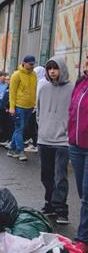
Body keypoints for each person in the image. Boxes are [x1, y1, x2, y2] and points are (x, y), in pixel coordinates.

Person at [38, 56, 72, 225]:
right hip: (44, 139)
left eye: (55, 68)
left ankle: (61, 209)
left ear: (62, 69)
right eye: (49, 68)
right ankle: (49, 203)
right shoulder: (43, 87)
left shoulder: (71, 88)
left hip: (63, 141)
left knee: (60, 177)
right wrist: (42, 127)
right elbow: (38, 111)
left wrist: (67, 131)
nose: (52, 71)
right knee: (46, 175)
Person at [68, 56, 88, 253]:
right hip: (76, 145)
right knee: (83, 193)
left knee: (87, 196)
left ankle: (82, 238)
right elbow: (73, 110)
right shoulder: (81, 82)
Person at [8, 55, 38, 161]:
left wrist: (35, 104)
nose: (32, 66)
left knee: (20, 128)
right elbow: (12, 92)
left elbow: (34, 90)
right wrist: (12, 107)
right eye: (30, 64)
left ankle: (11, 148)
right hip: (19, 106)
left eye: (33, 64)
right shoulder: (16, 75)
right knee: (20, 128)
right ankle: (20, 151)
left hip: (29, 106)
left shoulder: (34, 74)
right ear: (24, 63)